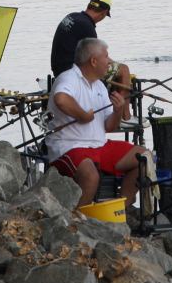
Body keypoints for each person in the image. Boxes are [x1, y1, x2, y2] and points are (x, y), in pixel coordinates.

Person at [45, 38, 152, 209]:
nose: (109, 62)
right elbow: (61, 99)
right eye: (106, 57)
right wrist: (83, 115)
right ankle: (78, 220)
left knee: (144, 157)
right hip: (69, 146)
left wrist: (118, 111)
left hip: (100, 146)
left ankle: (120, 209)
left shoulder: (100, 86)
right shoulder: (69, 78)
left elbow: (109, 126)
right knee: (90, 176)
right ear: (93, 61)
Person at [50, 0, 132, 116]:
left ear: (89, 6)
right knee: (124, 70)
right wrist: (114, 64)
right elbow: (96, 58)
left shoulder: (72, 16)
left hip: (58, 68)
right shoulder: (87, 26)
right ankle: (126, 117)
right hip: (73, 72)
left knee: (115, 69)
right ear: (104, 13)